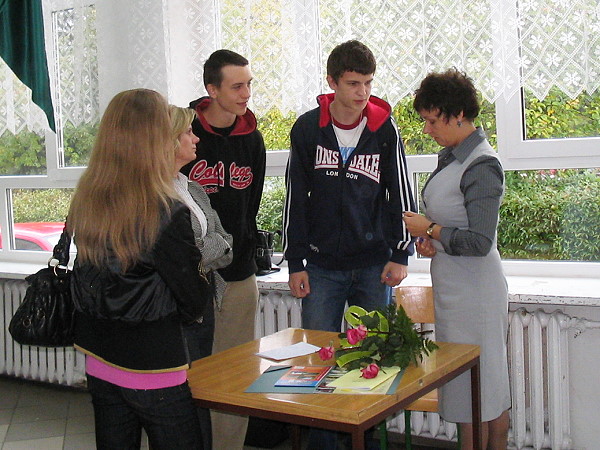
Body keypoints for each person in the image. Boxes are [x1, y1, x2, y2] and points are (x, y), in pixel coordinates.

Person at [68, 89, 212, 449]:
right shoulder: (165, 210)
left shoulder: (88, 198)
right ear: (153, 138)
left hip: (99, 358)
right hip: (153, 365)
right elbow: (193, 299)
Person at [403, 68, 510, 449]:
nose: (427, 129)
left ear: (458, 114)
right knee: (475, 390)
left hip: (476, 293)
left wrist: (430, 229)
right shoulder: (452, 157)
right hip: (455, 287)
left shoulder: (482, 165)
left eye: (433, 120)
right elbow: (455, 228)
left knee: (479, 393)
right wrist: (433, 241)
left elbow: (480, 241)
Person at [283, 39, 415, 332]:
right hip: (321, 266)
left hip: (374, 265)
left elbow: (401, 192)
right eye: (353, 84)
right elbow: (296, 197)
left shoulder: (384, 128)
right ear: (332, 82)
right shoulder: (307, 128)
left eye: (368, 83)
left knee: (375, 350)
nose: (363, 92)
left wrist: (401, 253)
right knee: (317, 349)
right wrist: (294, 261)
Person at [180, 49, 266, 450]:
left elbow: (252, 205)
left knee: (236, 373)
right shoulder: (183, 134)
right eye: (236, 86)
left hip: (238, 272)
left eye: (248, 84)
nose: (246, 93)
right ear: (212, 90)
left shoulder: (253, 138)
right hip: (192, 276)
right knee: (193, 372)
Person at [171, 105, 233, 450]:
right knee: (183, 390)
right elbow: (186, 253)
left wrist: (209, 248)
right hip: (179, 304)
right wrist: (211, 247)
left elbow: (225, 240)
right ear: (168, 140)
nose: (195, 139)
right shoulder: (156, 193)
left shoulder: (192, 187)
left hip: (205, 295)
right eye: (188, 132)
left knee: (201, 383)